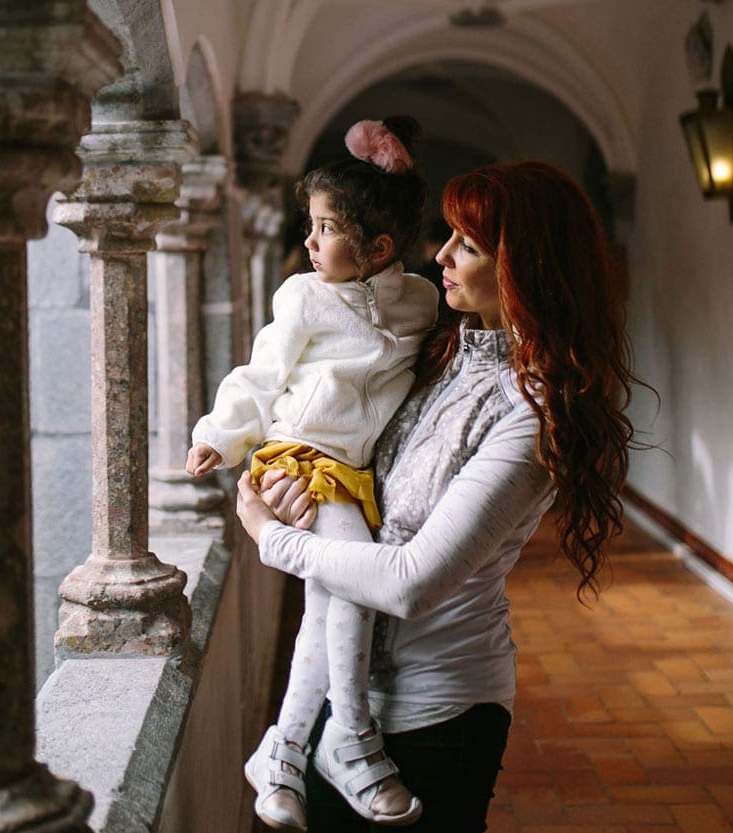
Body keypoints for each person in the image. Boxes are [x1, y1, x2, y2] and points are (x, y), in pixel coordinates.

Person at [235, 160, 641, 833]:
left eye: (469, 245)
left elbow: (410, 581)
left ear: (525, 266)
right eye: (447, 234)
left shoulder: (536, 412)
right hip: (346, 696)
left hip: (437, 713)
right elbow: (349, 454)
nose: (441, 254)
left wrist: (272, 536)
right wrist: (299, 490)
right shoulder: (437, 352)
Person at [187, 117, 439, 831]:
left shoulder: (420, 302)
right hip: (296, 456)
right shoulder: (302, 297)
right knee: (355, 577)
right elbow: (261, 373)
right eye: (310, 224)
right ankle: (351, 736)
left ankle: (285, 752)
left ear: (377, 249)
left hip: (351, 475)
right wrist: (220, 433)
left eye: (325, 228)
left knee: (329, 605)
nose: (309, 240)